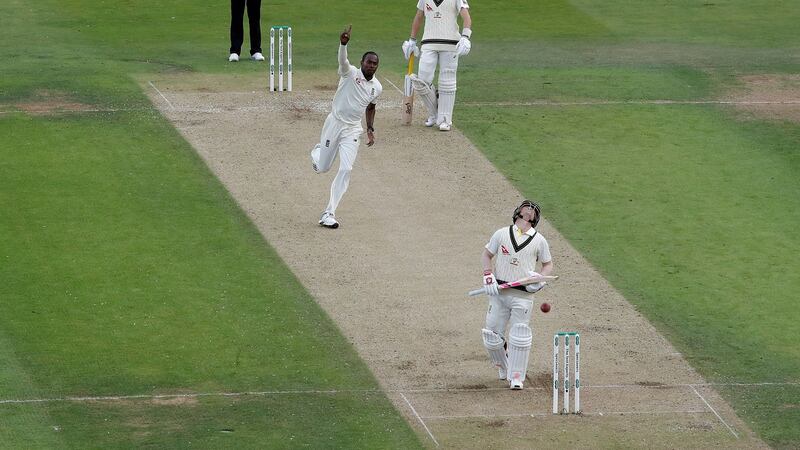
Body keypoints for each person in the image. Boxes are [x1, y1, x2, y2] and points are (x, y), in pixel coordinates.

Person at [310, 25, 382, 229]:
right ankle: (318, 153)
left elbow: (371, 107)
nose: (371, 66)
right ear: (362, 63)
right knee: (322, 168)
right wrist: (343, 44)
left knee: (346, 168)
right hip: (334, 124)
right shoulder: (349, 73)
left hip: (352, 130)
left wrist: (370, 129)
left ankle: (329, 213)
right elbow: (343, 61)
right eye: (369, 62)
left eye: (375, 64)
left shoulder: (377, 87)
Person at [480, 200, 554, 390]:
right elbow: (487, 255)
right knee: (491, 336)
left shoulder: (539, 240)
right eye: (526, 208)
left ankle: (516, 377)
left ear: (535, 219)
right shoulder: (502, 233)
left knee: (519, 335)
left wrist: (540, 278)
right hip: (499, 292)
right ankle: (504, 366)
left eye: (533, 210)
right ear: (517, 212)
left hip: (523, 296)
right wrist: (488, 274)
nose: (529, 210)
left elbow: (548, 264)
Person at [401, 0, 472, 131]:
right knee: (422, 80)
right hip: (428, 42)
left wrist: (465, 37)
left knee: (447, 81)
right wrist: (412, 39)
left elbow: (466, 17)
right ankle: (434, 114)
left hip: (451, 44)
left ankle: (445, 119)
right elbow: (419, 16)